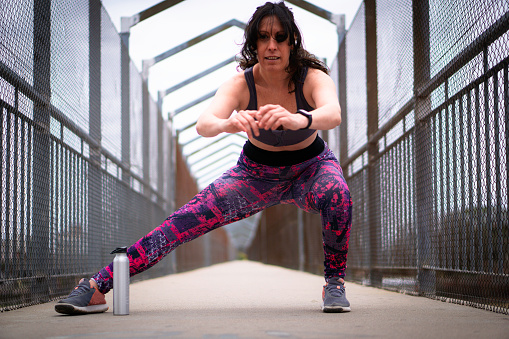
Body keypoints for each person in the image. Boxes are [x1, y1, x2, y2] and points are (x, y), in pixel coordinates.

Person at [55, 1, 352, 315]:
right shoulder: (242, 83)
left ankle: (334, 284)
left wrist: (299, 119)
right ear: (253, 43)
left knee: (338, 194)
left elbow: (333, 113)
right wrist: (228, 123)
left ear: (292, 41)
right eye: (263, 38)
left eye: (280, 37)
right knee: (180, 223)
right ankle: (96, 286)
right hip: (254, 175)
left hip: (311, 167)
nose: (271, 46)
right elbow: (203, 123)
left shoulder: (311, 76)